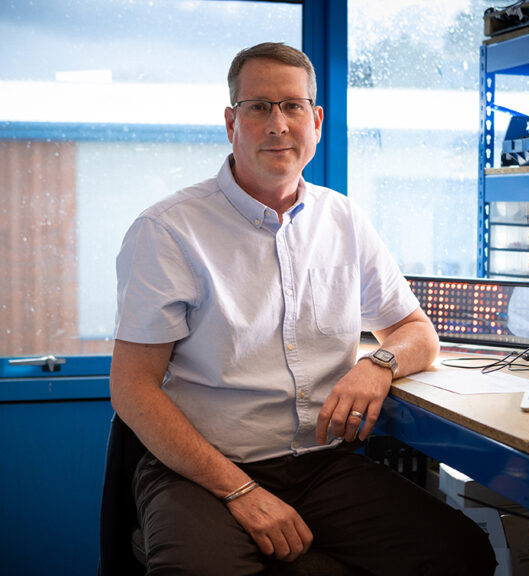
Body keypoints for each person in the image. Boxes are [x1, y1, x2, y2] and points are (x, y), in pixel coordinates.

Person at [110, 42, 497, 576]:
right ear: (231, 121)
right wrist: (241, 490)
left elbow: (415, 332)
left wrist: (377, 365)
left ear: (315, 120)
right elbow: (132, 386)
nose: (278, 124)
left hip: (320, 468)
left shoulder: (343, 220)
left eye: (293, 106)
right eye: (259, 107)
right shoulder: (168, 231)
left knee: (463, 554)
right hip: (203, 472)